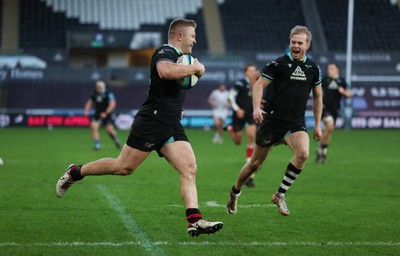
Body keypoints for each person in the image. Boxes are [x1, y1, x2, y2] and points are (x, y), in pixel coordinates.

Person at [56, 18, 223, 237]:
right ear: (179, 36)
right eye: (192, 35)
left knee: (189, 168)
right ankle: (75, 172)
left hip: (171, 123)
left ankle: (195, 221)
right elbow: (164, 72)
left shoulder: (183, 59)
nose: (195, 40)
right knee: (123, 167)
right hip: (152, 120)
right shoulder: (165, 52)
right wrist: (196, 68)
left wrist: (184, 90)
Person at [226, 25, 323, 216]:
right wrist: (256, 108)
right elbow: (258, 85)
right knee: (254, 164)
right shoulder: (277, 64)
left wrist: (318, 124)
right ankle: (235, 191)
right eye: (293, 42)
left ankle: (280, 194)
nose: (295, 46)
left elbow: (318, 97)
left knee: (303, 154)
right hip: (272, 122)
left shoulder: (313, 68)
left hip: (295, 123)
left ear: (308, 45)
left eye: (299, 43)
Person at [226, 64, 259, 187]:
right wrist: (237, 109)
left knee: (251, 138)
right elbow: (230, 97)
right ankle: (230, 128)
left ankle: (250, 171)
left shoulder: (257, 83)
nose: (252, 73)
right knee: (238, 141)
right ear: (245, 72)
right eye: (250, 71)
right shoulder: (239, 83)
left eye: (254, 70)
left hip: (250, 114)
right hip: (238, 114)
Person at [316, 63, 351, 164]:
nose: (329, 70)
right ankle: (323, 152)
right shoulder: (325, 80)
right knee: (330, 126)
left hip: (335, 110)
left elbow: (349, 94)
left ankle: (321, 150)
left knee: (328, 130)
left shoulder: (342, 81)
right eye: (328, 68)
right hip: (324, 108)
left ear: (337, 70)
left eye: (331, 68)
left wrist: (343, 92)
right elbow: (317, 90)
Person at [84, 80, 121, 150]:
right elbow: (89, 102)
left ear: (103, 87)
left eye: (99, 86)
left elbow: (112, 104)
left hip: (107, 114)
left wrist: (106, 112)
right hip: (97, 113)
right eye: (97, 86)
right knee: (94, 127)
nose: (97, 87)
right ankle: (97, 145)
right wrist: (86, 111)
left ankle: (116, 140)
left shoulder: (109, 94)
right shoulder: (94, 93)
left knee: (110, 131)